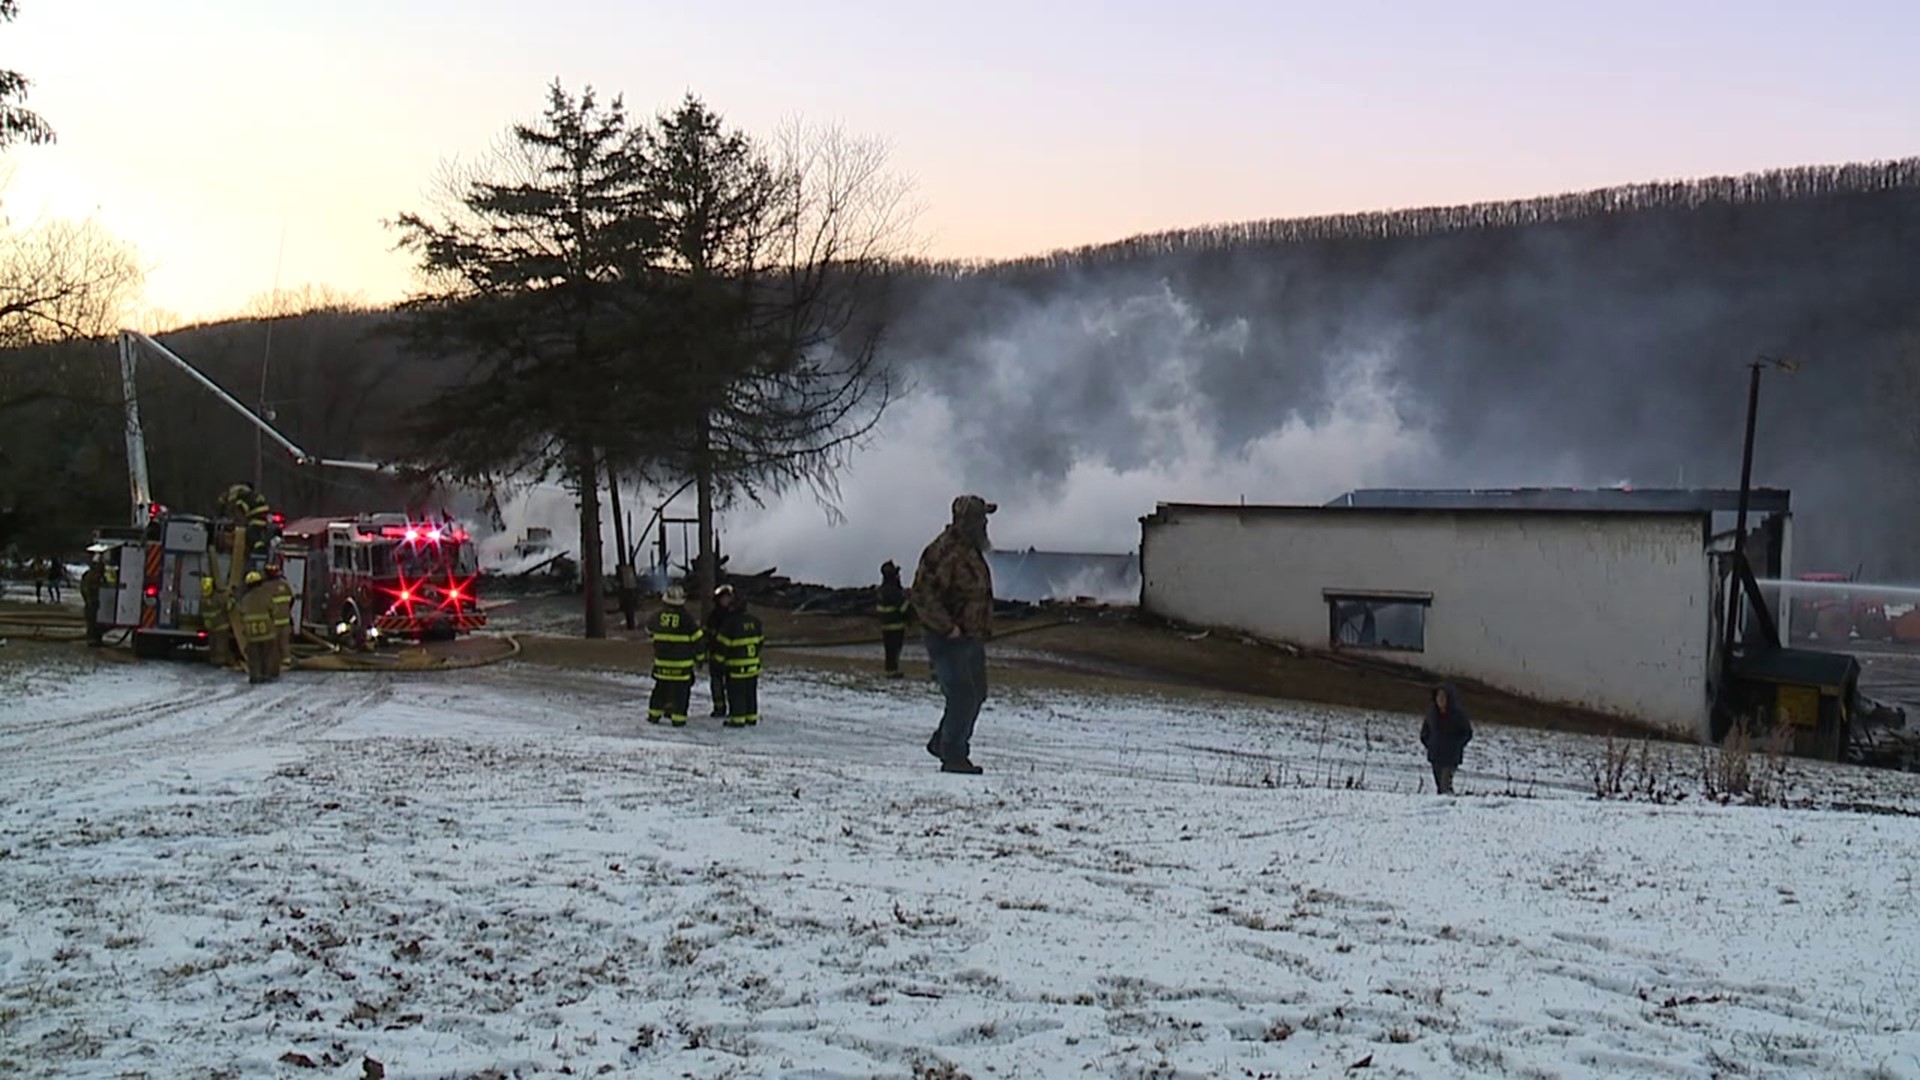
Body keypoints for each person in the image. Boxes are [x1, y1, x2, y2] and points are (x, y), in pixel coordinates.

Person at [911, 494, 997, 775]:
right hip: (948, 639)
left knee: (976, 693)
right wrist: (948, 627)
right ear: (968, 521)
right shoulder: (943, 552)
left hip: (971, 637)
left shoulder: (970, 550)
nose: (986, 523)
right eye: (982, 518)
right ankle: (954, 755)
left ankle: (942, 741)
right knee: (962, 695)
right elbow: (923, 596)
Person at [646, 584, 704, 727]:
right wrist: (700, 658)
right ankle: (678, 719)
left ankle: (654, 715)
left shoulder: (657, 616)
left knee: (660, 689)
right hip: (682, 666)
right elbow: (698, 640)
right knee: (680, 693)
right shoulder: (687, 619)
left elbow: (648, 630)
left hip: (662, 664)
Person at [714, 592, 766, 728]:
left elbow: (722, 645)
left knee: (736, 693)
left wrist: (718, 662)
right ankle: (751, 717)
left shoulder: (730, 623)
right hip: (753, 666)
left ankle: (737, 719)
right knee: (750, 692)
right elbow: (760, 642)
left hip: (736, 667)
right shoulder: (755, 622)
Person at [1420, 683, 1473, 795]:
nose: (1440, 700)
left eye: (1443, 697)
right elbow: (1425, 731)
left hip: (1451, 756)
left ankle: (1449, 804)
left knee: (1445, 785)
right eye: (1438, 697)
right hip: (1435, 755)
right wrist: (1429, 744)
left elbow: (1467, 732)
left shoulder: (1458, 715)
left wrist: (1457, 745)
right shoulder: (1432, 713)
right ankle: (1442, 808)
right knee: (1439, 786)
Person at [235, 571, 280, 684]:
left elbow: (241, 614)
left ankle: (255, 676)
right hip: (267, 632)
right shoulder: (266, 595)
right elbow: (274, 610)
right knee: (267, 655)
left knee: (254, 657)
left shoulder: (245, 599)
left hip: (252, 634)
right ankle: (267, 675)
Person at [704, 584, 737, 717]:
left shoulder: (734, 615)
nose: (727, 600)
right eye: (724, 598)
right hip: (716, 653)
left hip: (732, 655)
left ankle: (735, 706)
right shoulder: (714, 616)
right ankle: (719, 707)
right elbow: (708, 634)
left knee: (732, 682)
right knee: (717, 682)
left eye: (728, 597)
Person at [877, 560, 911, 679]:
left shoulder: (883, 589)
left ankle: (890, 671)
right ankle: (893, 673)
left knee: (889, 650)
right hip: (896, 626)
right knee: (895, 650)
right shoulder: (893, 590)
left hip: (886, 626)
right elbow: (903, 608)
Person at [266, 565, 296, 673]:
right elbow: (292, 599)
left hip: (273, 621)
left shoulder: (266, 587)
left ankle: (275, 664)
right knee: (284, 643)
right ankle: (286, 661)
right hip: (285, 620)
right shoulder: (285, 584)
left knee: (273, 644)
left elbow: (264, 604)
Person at [79, 555, 106, 647]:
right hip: (92, 602)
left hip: (96, 602)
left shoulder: (97, 576)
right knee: (92, 622)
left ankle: (96, 638)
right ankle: (92, 639)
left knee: (96, 622)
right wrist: (89, 600)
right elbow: (86, 589)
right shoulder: (91, 576)